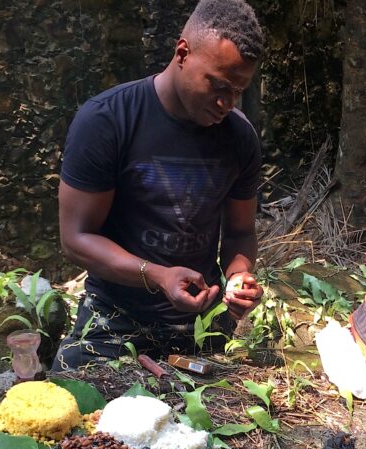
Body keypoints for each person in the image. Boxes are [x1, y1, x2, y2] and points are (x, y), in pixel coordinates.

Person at [53, 0, 265, 370]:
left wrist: (239, 275)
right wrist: (157, 276)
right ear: (182, 53)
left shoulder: (240, 137)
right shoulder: (107, 121)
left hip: (202, 321)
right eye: (217, 85)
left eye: (238, 91)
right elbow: (76, 238)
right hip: (115, 315)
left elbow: (240, 232)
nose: (225, 103)